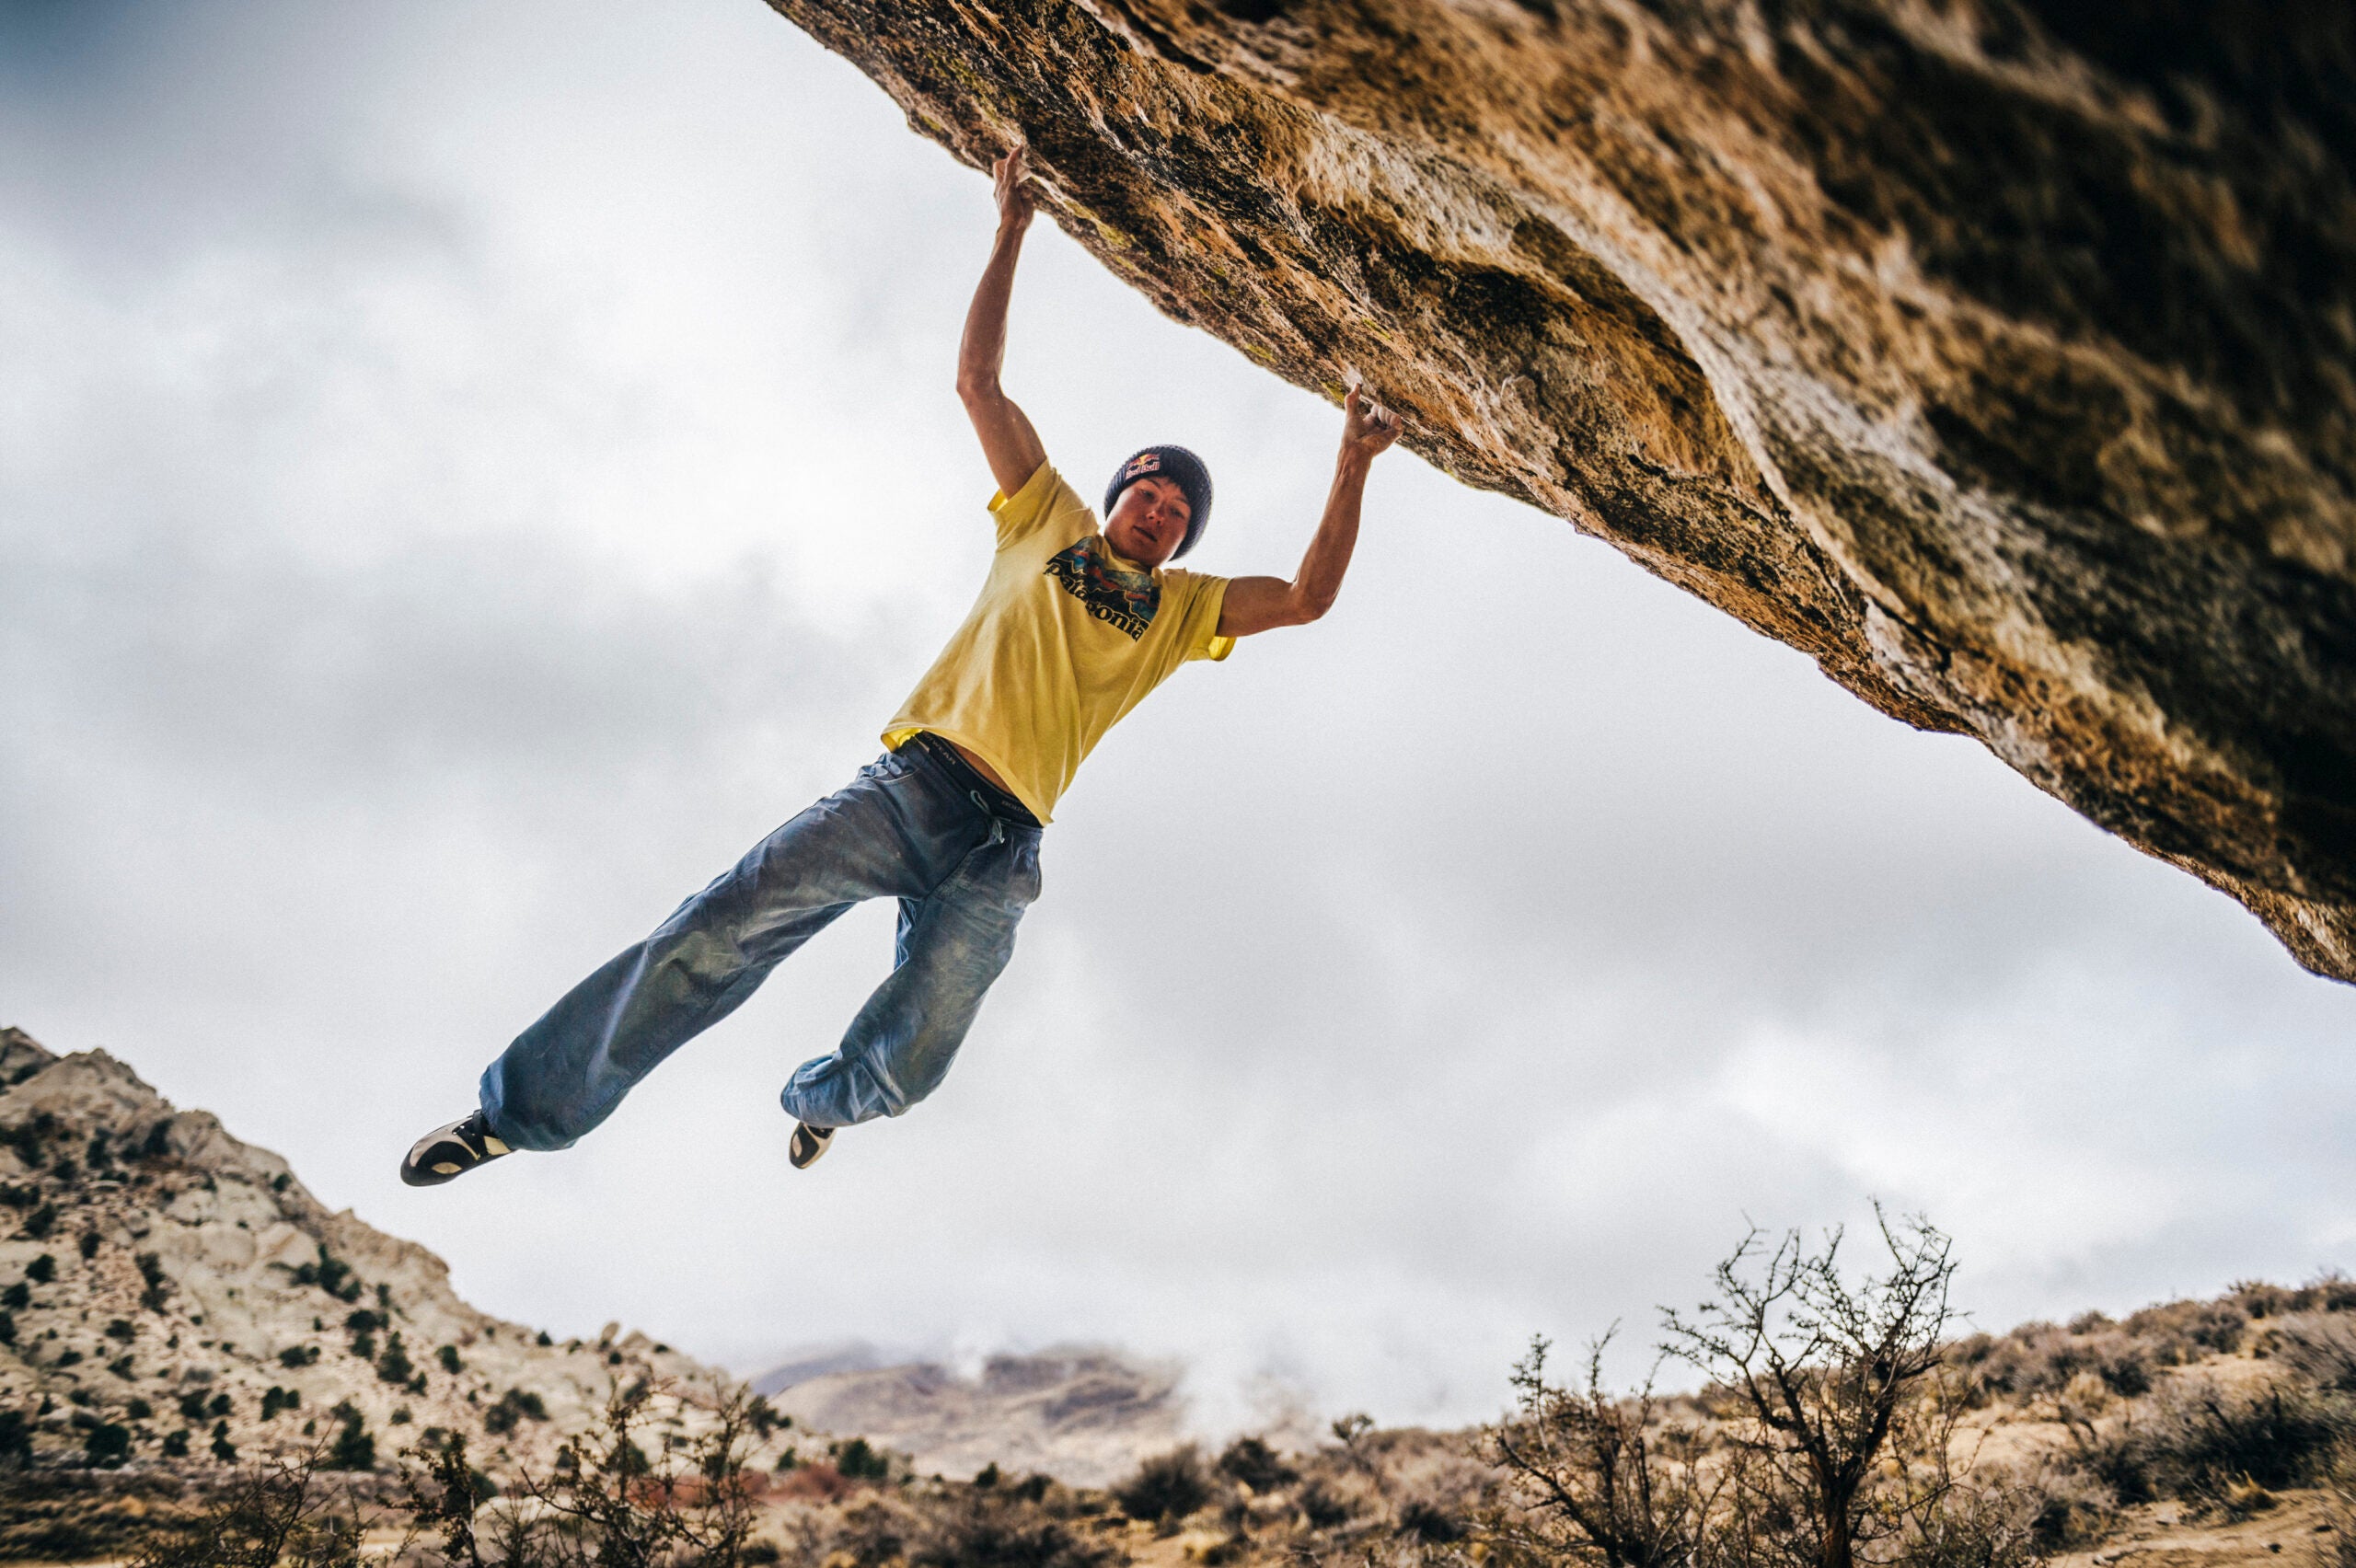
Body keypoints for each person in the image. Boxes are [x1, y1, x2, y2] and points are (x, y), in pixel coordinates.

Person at [401, 144, 1402, 1186]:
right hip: (909, 789)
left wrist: (1352, 460)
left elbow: (1306, 597)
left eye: (1178, 515)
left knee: (908, 1070)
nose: (1158, 513)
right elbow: (977, 383)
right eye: (1148, 493)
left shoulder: (1184, 610)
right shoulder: (1044, 520)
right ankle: (515, 1116)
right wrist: (1011, 229)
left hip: (1001, 849)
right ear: (1117, 496)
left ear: (1184, 542)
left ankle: (817, 1100)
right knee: (718, 929)